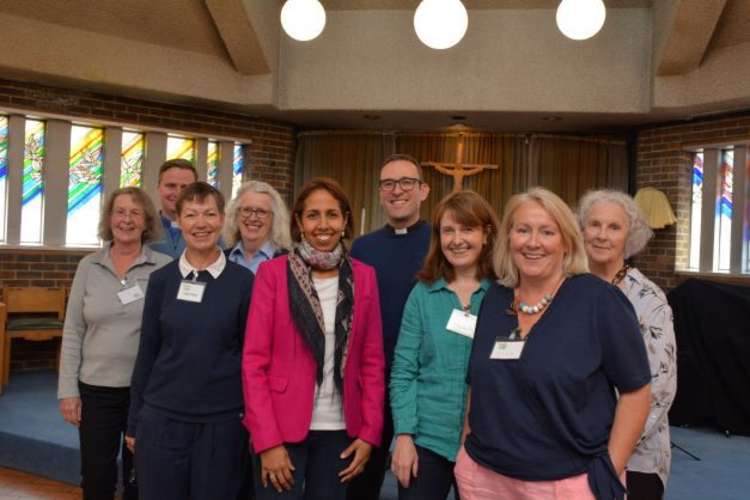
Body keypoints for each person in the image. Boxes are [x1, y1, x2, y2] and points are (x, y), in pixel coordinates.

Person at [457, 187, 652, 500]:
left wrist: (609, 471)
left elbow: (637, 391)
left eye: (547, 232)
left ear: (566, 241)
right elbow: (477, 383)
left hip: (567, 484)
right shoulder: (496, 298)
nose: (533, 242)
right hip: (484, 478)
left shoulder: (600, 301)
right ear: (509, 238)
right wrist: (465, 453)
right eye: (523, 230)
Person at [243, 177, 385, 500]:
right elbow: (253, 363)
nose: (323, 224)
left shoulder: (364, 276)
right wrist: (266, 441)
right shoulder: (273, 274)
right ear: (299, 222)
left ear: (346, 220)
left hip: (340, 432)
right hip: (281, 430)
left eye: (332, 215)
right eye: (313, 215)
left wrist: (369, 434)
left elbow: (373, 362)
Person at [126, 182, 253, 500]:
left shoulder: (244, 283)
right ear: (178, 221)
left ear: (223, 219)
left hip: (221, 424)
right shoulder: (161, 281)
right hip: (162, 418)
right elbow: (148, 351)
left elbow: (251, 357)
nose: (201, 224)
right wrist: (133, 421)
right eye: (192, 215)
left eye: (209, 214)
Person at [58, 187, 170, 500]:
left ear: (147, 221)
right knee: (96, 476)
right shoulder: (88, 266)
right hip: (95, 390)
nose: (126, 219)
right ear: (109, 219)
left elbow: (170, 332)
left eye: (135, 213)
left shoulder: (163, 268)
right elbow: (73, 330)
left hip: (145, 393)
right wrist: (68, 390)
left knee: (141, 477)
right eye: (120, 211)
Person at [390, 191, 499, 500]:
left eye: (467, 229)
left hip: (488, 443)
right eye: (448, 230)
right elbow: (404, 371)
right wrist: (404, 436)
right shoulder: (422, 295)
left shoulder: (505, 295)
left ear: (486, 234)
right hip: (426, 441)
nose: (457, 239)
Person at [578, 189, 677, 500]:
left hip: (635, 458)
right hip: (571, 446)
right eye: (594, 225)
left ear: (630, 235)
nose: (602, 235)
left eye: (614, 227)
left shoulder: (648, 299)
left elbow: (660, 389)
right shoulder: (567, 288)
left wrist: (610, 455)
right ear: (580, 230)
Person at [348, 154, 431, 500]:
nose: (397, 191)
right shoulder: (362, 247)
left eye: (406, 183)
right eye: (388, 184)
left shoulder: (440, 243)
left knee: (417, 482)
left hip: (422, 382)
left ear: (423, 190)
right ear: (380, 192)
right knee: (362, 481)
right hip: (372, 381)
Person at [224, 180, 292, 273]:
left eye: (261, 211)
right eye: (246, 210)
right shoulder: (220, 259)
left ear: (275, 219)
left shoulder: (290, 263)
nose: (252, 218)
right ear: (236, 214)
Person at [149, 158, 198, 258]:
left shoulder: (209, 232)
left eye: (185, 187)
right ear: (158, 188)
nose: (178, 193)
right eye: (171, 186)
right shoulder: (143, 229)